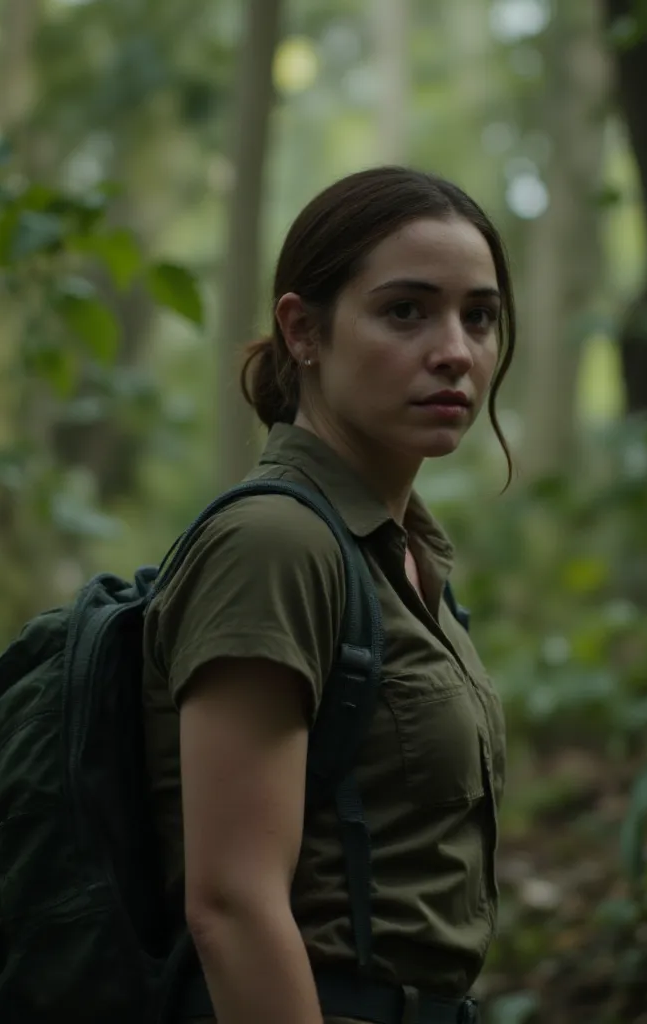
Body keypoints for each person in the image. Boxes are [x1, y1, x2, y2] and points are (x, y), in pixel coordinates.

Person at [142, 165, 514, 1024]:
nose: (456, 349)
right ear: (302, 330)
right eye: (406, 311)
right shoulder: (275, 545)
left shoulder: (400, 554)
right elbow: (232, 906)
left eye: (480, 316)